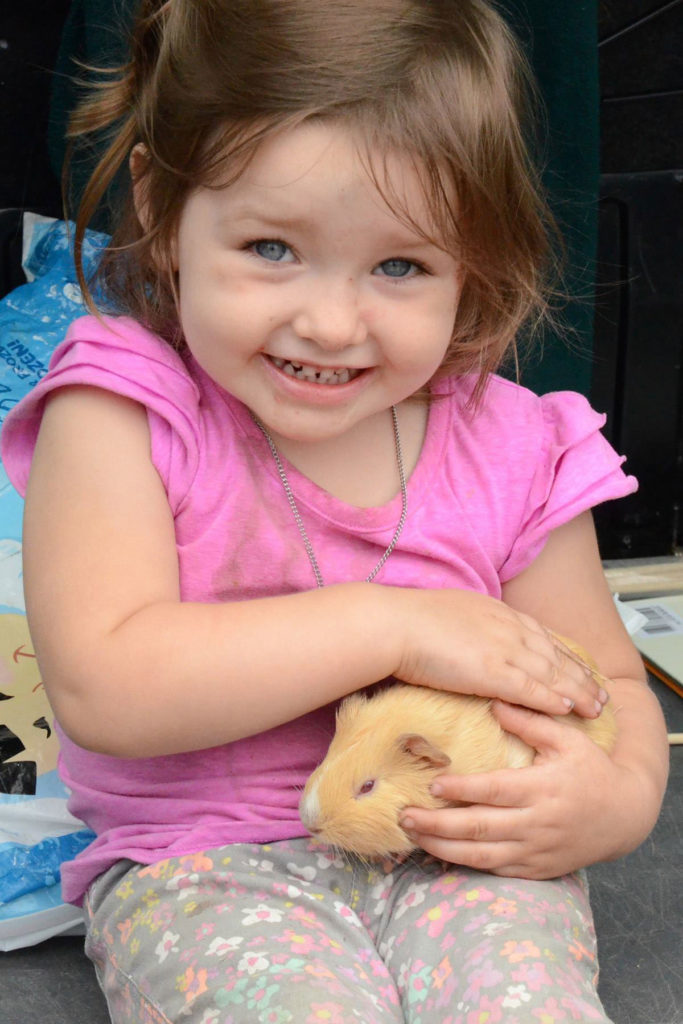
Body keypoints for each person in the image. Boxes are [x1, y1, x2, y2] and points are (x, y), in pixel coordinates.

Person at [1, 1, 669, 1021]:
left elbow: (605, 680)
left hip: (459, 855)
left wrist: (612, 798)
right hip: (208, 864)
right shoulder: (124, 411)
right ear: (160, 206)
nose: (329, 320)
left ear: (473, 260)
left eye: (399, 266)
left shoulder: (513, 442)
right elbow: (107, 686)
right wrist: (395, 621)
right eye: (271, 248)